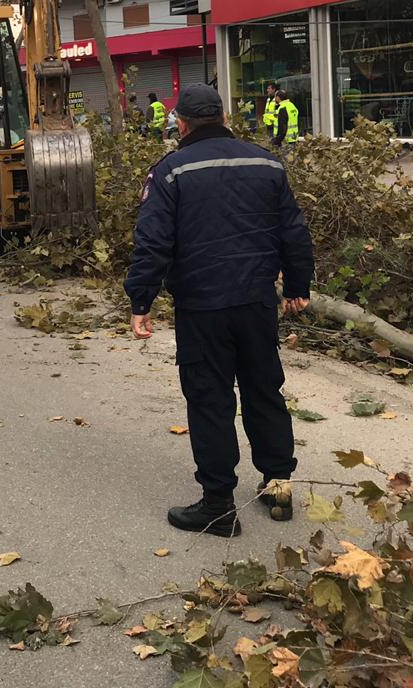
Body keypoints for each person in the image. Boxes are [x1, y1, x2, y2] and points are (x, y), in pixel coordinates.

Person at [124, 83, 314, 537]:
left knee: (210, 398)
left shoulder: (170, 171)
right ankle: (278, 485)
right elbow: (293, 229)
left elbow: (153, 242)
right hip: (255, 301)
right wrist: (297, 284)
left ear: (181, 122)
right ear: (224, 115)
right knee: (264, 388)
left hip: (203, 304)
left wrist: (141, 300)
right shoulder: (266, 161)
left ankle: (218, 505)